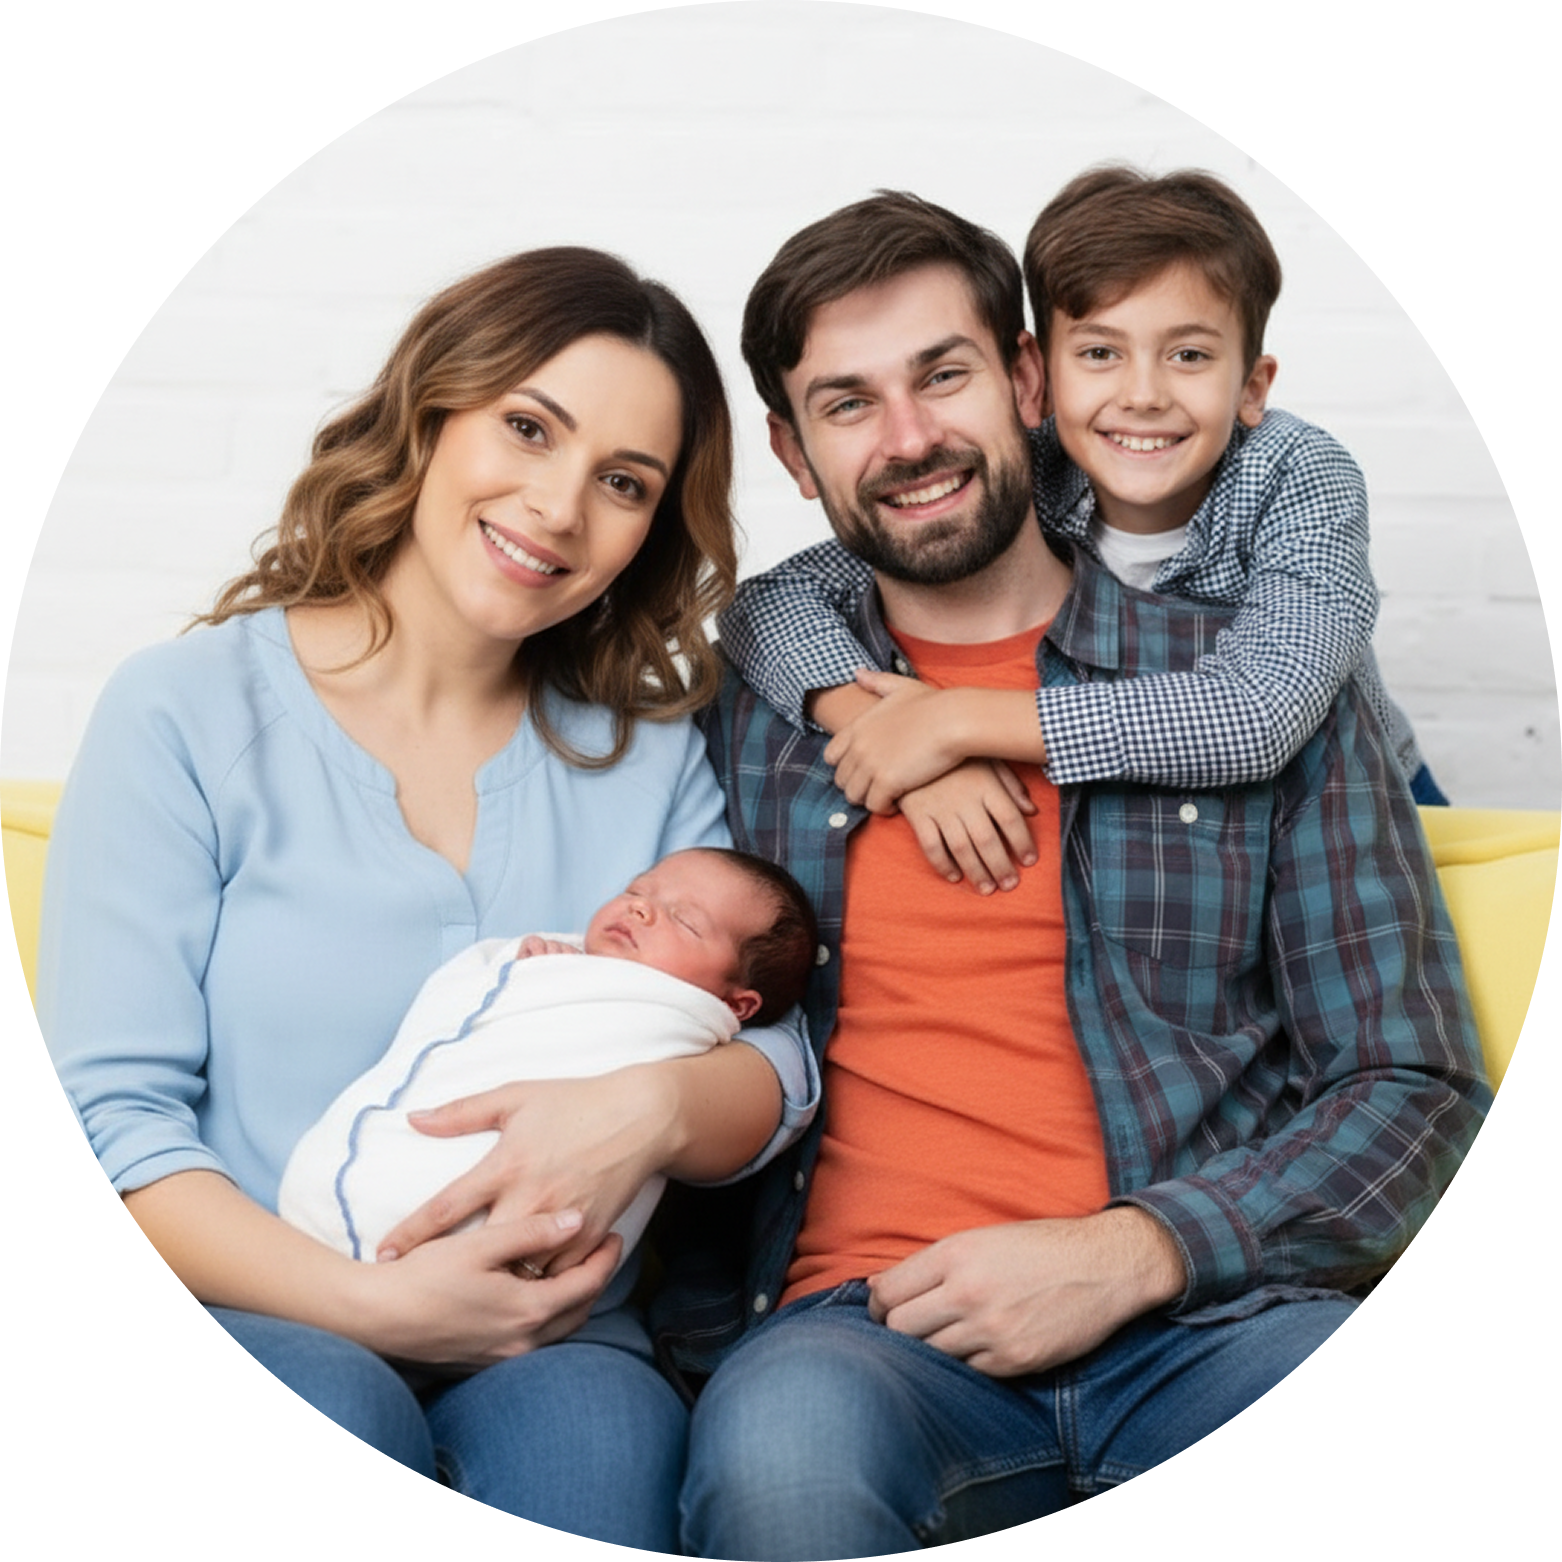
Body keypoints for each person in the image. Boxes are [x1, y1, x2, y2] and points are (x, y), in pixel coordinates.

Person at [653, 194, 1490, 1556]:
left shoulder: (1250, 682)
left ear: (1026, 382)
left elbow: (1413, 1084)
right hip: (859, 1339)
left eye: (943, 374)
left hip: (1213, 1318)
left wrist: (1137, 1248)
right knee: (780, 1466)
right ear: (792, 454)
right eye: (847, 403)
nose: (911, 437)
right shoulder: (747, 712)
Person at [38, 247, 817, 1549]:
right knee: (336, 1398)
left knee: (602, 1442)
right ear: (429, 410)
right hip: (260, 1304)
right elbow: (112, 1119)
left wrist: (647, 1105)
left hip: (559, 1335)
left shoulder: (649, 765)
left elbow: (780, 1056)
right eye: (527, 427)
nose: (559, 508)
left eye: (622, 483)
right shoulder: (182, 713)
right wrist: (375, 1308)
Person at [717, 167, 1445, 900]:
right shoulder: (1032, 463)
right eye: (1100, 353)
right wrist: (873, 722)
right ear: (1045, 378)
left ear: (1252, 386)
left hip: (1370, 799)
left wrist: (953, 721)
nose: (1142, 396)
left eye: (1188, 355)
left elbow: (1258, 716)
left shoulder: (1298, 474)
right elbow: (766, 604)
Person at [280, 846, 816, 1284]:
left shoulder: (691, 1029)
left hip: (530, 1261)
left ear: (739, 1006)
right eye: (637, 890)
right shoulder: (551, 959)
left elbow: (780, 1067)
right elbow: (465, 1015)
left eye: (684, 919)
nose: (641, 909)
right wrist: (532, 976)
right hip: (313, 1258)